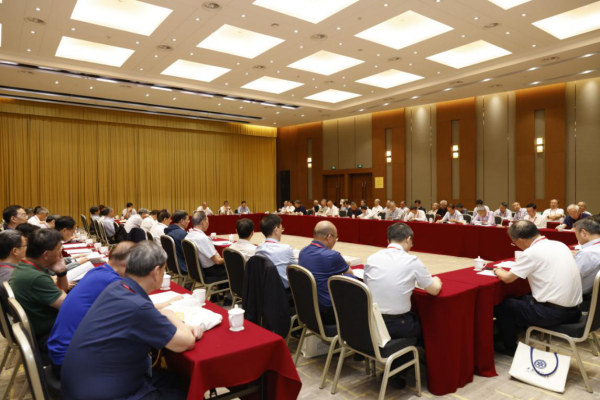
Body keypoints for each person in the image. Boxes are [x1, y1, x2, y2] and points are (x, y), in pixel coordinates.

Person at [61, 241, 202, 400]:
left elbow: (143, 315)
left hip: (83, 382)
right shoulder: (138, 306)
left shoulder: (116, 288)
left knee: (175, 379)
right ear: (156, 272)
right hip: (104, 392)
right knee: (189, 393)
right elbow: (186, 342)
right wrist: (171, 315)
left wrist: (167, 317)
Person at [364, 223, 442, 389]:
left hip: (370, 321)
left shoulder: (372, 258)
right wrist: (437, 280)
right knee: (425, 329)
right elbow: (434, 290)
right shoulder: (412, 261)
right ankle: (397, 371)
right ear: (408, 239)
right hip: (395, 324)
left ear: (388, 240)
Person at [47, 242, 137, 376]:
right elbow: (139, 308)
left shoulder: (97, 271)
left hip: (61, 353)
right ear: (128, 264)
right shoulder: (113, 282)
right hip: (71, 364)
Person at [494, 221, 582, 355]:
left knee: (503, 305)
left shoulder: (532, 252)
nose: (515, 245)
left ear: (521, 240)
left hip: (553, 314)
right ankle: (518, 330)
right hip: (575, 311)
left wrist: (497, 270)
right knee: (521, 298)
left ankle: (510, 347)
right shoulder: (560, 244)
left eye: (514, 242)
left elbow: (507, 278)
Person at [9, 229, 68, 350]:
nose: (60, 253)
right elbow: (68, 306)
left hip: (43, 326)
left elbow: (62, 290)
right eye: (58, 249)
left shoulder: (26, 266)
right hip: (49, 335)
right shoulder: (36, 278)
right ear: (46, 255)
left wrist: (61, 273)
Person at [298, 221, 354, 324]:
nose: (336, 241)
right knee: (353, 282)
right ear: (329, 237)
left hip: (306, 308)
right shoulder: (332, 255)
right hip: (327, 312)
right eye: (336, 238)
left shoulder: (303, 252)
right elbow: (350, 273)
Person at [255, 214, 295, 289]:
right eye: (281, 228)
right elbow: (296, 269)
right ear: (276, 230)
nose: (282, 231)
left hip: (263, 290)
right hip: (283, 291)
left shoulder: (258, 249)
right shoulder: (286, 249)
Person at [185, 211, 228, 280]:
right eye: (208, 220)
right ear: (203, 222)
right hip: (211, 271)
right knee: (235, 266)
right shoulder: (202, 238)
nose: (208, 223)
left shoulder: (188, 236)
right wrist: (229, 259)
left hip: (197, 271)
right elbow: (217, 261)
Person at [573, 217, 600, 296]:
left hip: (578, 296)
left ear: (583, 233)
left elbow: (570, 278)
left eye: (576, 233)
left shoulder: (588, 253)